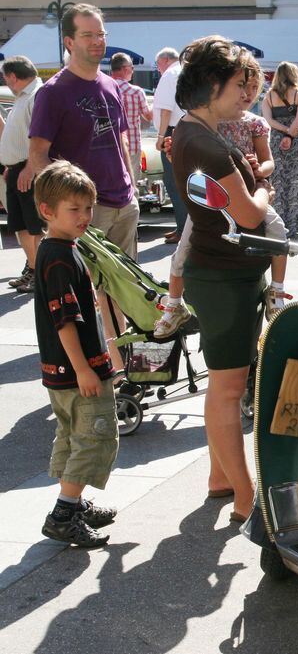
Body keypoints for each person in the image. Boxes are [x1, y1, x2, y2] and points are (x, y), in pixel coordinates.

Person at [171, 36, 271, 521]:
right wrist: (267, 187)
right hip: (225, 276)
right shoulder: (206, 143)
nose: (245, 94)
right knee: (229, 388)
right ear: (212, 85)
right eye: (239, 85)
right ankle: (245, 496)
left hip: (220, 273)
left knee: (222, 384)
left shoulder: (193, 133)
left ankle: (219, 477)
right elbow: (251, 216)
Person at [156, 59, 290, 338]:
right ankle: (173, 304)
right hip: (217, 207)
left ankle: (276, 291)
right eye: (241, 86)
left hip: (248, 197)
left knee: (278, 235)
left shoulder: (254, 124)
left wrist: (259, 173)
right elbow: (193, 166)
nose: (247, 94)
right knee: (182, 250)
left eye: (252, 87)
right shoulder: (207, 124)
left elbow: (268, 162)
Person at [33, 160, 120, 547]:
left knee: (72, 434)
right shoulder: (59, 258)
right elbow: (64, 320)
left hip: (62, 371)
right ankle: (64, 513)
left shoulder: (60, 248)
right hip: (77, 372)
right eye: (75, 209)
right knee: (94, 437)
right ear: (46, 211)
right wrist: (85, 369)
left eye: (88, 208)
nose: (85, 216)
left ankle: (75, 500)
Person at [29, 3, 139, 260]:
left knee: (126, 291)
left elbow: (119, 139)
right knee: (85, 290)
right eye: (87, 35)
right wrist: (67, 206)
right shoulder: (52, 92)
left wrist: (131, 188)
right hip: (85, 210)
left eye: (100, 34)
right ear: (69, 41)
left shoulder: (112, 85)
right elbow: (37, 156)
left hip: (124, 203)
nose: (96, 41)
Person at [1, 55, 43, 294]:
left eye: (6, 78)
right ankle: (33, 268)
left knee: (34, 226)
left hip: (29, 168)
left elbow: (38, 135)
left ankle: (40, 273)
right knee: (21, 225)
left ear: (13, 76)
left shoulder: (36, 95)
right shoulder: (22, 97)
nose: (6, 82)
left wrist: (28, 166)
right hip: (16, 168)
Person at [263, 61, 298, 235]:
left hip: (277, 140)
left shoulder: (269, 96)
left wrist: (284, 132)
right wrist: (291, 134)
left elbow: (269, 121)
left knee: (279, 181)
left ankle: (282, 224)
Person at [152, 47, 186, 244]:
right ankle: (183, 226)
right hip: (186, 128)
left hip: (172, 131)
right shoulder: (184, 70)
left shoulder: (169, 74)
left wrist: (160, 136)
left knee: (174, 181)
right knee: (183, 181)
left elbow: (166, 109)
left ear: (164, 60)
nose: (158, 69)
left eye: (157, 65)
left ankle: (183, 228)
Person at [110, 52, 153, 191]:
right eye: (132, 68)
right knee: (132, 185)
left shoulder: (103, 88)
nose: (133, 71)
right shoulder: (136, 92)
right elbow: (148, 116)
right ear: (125, 68)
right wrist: (159, 100)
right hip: (132, 145)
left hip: (109, 145)